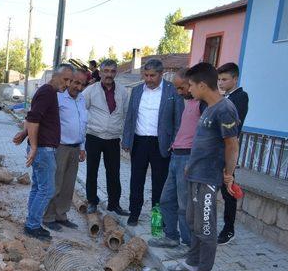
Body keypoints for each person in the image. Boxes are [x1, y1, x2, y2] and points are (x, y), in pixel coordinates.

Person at [170, 62, 240, 271]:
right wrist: (190, 165)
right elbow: (202, 143)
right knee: (193, 222)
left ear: (201, 85)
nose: (188, 89)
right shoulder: (207, 108)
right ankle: (192, 263)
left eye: (190, 85)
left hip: (209, 178)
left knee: (206, 227)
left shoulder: (225, 109)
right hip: (195, 174)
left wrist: (228, 174)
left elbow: (232, 145)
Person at [14, 69, 89, 230]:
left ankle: (59, 215)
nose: (74, 86)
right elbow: (33, 117)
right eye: (71, 81)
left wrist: (82, 147)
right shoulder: (54, 94)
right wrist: (31, 143)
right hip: (55, 147)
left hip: (74, 147)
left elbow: (82, 124)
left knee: (66, 185)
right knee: (50, 186)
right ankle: (44, 219)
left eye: (81, 84)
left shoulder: (81, 99)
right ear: (56, 76)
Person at [149, 68, 206, 249]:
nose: (178, 92)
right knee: (166, 200)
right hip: (176, 156)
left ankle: (189, 246)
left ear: (191, 84)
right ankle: (171, 237)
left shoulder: (202, 104)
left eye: (181, 88)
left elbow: (205, 136)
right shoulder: (186, 102)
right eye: (177, 88)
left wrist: (195, 160)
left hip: (188, 158)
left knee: (184, 205)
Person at [122, 58, 184, 226]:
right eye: (146, 75)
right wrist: (126, 140)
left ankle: (157, 219)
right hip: (139, 142)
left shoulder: (172, 91)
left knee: (159, 183)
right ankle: (134, 213)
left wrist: (174, 142)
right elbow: (130, 117)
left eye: (152, 76)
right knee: (136, 180)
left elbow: (179, 120)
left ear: (161, 74)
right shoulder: (136, 91)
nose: (148, 79)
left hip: (161, 144)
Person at [18, 64, 74, 240]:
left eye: (71, 80)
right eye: (66, 79)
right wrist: (33, 146)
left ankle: (31, 222)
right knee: (47, 189)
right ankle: (32, 225)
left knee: (38, 187)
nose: (68, 84)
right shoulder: (47, 92)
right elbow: (33, 120)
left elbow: (31, 116)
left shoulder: (48, 92)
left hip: (43, 148)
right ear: (55, 76)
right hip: (43, 150)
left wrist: (24, 133)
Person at [82, 59, 130, 216]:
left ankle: (114, 204)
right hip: (94, 136)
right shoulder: (90, 91)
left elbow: (126, 114)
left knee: (114, 172)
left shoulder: (122, 92)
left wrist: (124, 136)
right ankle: (92, 202)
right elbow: (81, 111)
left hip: (113, 138)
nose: (109, 74)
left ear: (116, 73)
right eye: (106, 71)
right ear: (100, 72)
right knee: (92, 171)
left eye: (112, 71)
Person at [216, 62, 249, 245]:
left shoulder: (241, 97)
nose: (220, 83)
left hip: (228, 151)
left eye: (225, 79)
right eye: (219, 79)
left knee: (228, 191)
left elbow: (232, 122)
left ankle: (229, 230)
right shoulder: (224, 96)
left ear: (235, 79)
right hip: (215, 150)